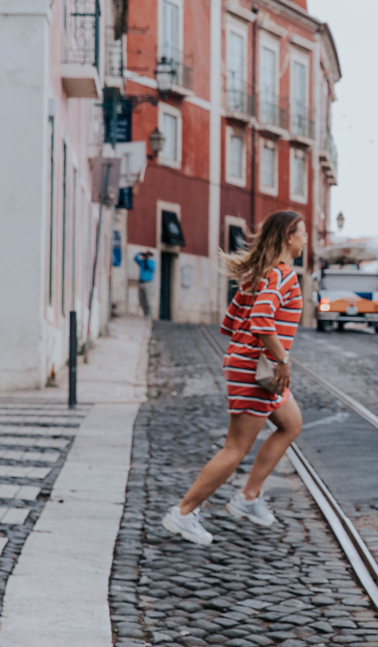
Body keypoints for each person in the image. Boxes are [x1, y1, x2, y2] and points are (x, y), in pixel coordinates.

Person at [161, 211, 307, 546]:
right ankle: (183, 513)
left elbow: (230, 324)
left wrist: (254, 353)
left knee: (291, 423)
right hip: (259, 372)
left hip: (251, 367)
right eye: (302, 234)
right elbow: (260, 320)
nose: (305, 241)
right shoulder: (283, 276)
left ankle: (249, 497)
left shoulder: (258, 275)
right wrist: (281, 358)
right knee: (235, 448)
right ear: (288, 236)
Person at [134, 250, 156, 317]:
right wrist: (140, 253)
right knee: (141, 300)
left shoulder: (152, 262)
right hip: (141, 283)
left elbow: (152, 268)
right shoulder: (142, 262)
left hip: (148, 283)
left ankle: (149, 314)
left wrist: (148, 259)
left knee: (148, 300)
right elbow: (135, 258)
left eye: (147, 255)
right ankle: (145, 313)